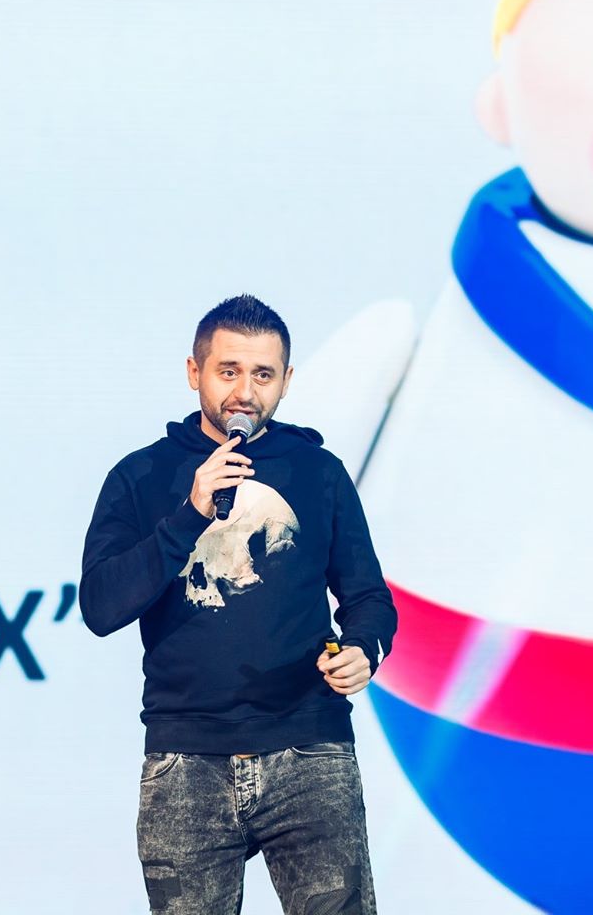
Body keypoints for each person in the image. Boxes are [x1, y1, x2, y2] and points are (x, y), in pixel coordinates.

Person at [79, 294, 397, 915]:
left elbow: (368, 598)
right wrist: (191, 514)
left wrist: (364, 649)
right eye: (228, 371)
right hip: (185, 761)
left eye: (263, 374)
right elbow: (100, 607)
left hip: (310, 750)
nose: (245, 393)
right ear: (194, 372)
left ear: (286, 381)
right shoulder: (139, 477)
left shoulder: (319, 473)